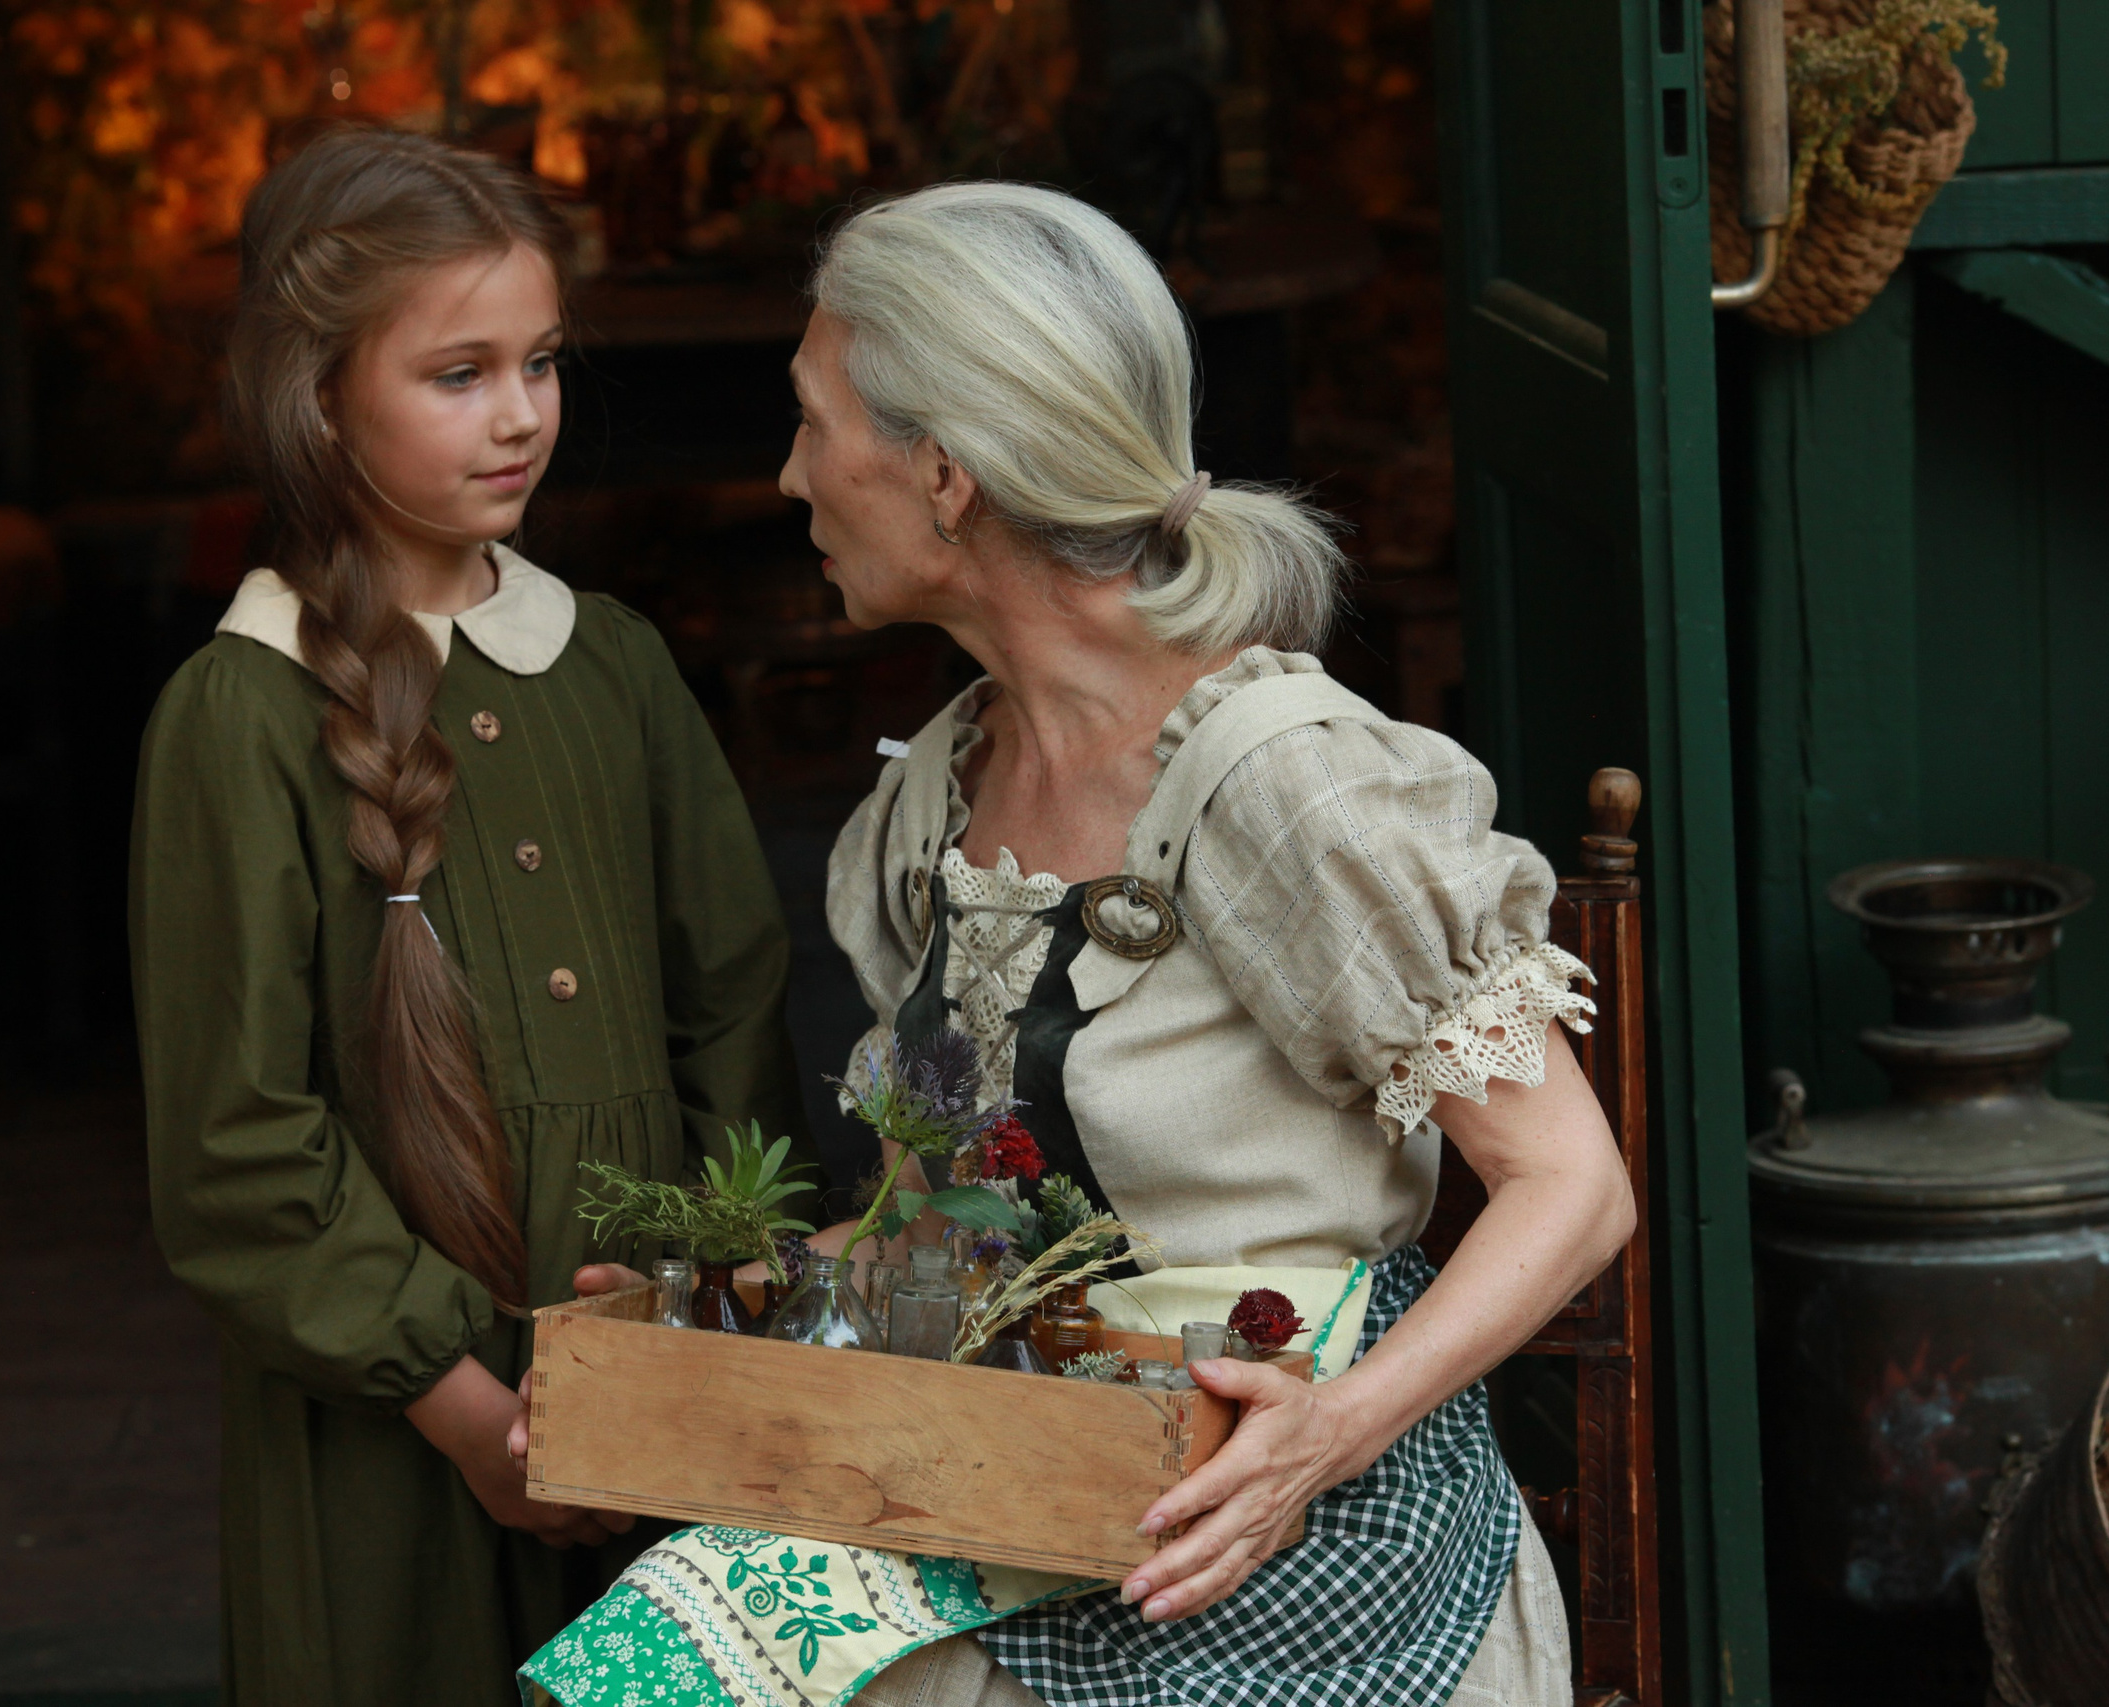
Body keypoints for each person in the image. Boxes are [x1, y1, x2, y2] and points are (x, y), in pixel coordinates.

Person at [527, 181, 1632, 1707]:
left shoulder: (1285, 786)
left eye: (810, 422)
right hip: (1025, 1493)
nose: (789, 476)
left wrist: (1330, 1429)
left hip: (1310, 1553)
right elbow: (954, 1235)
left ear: (944, 473)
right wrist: (717, 1315)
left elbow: (1570, 1189)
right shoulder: (938, 800)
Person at [128, 127, 806, 1707]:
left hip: (666, 1408)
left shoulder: (615, 665)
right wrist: (470, 1415)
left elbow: (733, 1013)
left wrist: (719, 1314)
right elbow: (235, 1148)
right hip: (391, 1446)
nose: (521, 417)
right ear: (316, 395)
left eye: (544, 363)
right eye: (459, 373)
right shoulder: (239, 717)